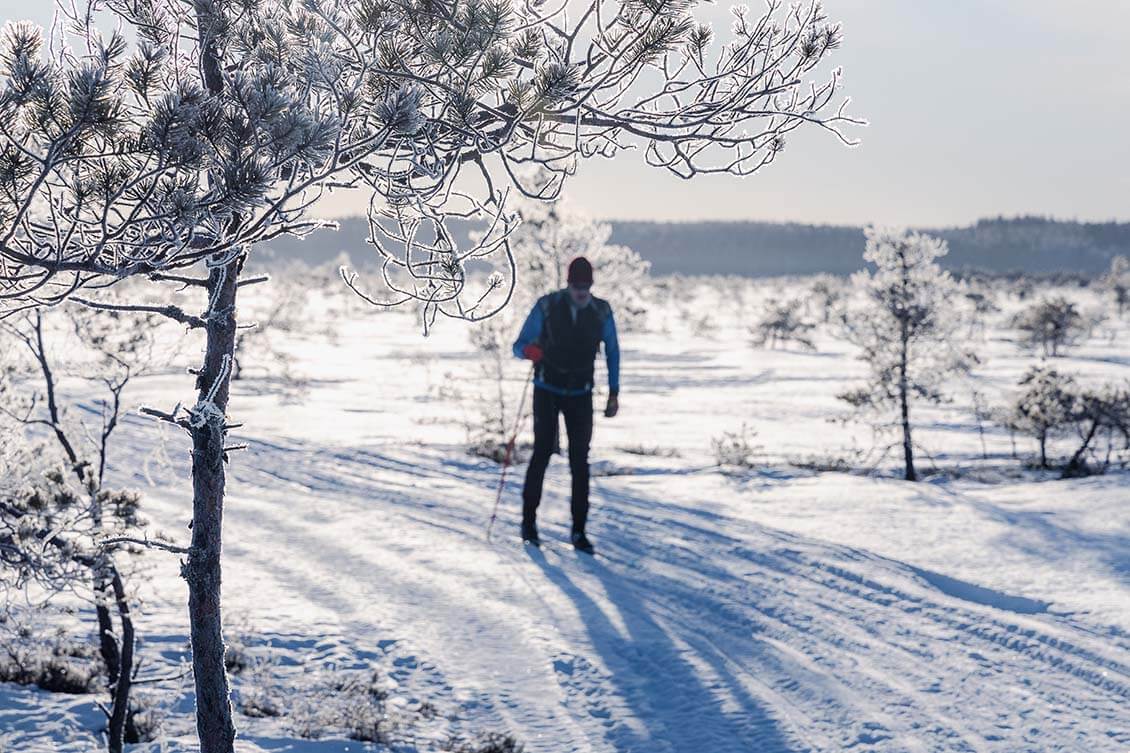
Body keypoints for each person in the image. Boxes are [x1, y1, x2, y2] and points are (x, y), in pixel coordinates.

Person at [512, 256, 619, 554]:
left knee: (579, 462)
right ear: (568, 284)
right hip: (547, 389)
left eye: (586, 286)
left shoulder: (601, 311)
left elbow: (613, 351)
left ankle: (579, 532)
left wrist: (614, 392)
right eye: (576, 286)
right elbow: (518, 345)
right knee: (542, 453)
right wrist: (529, 351)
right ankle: (529, 525)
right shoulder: (546, 306)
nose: (581, 292)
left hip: (581, 393)